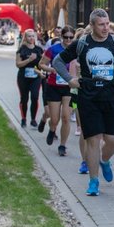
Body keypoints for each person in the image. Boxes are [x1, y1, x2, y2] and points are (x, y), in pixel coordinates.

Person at [53, 9, 114, 197]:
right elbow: (58, 61)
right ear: (92, 25)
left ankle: (104, 160)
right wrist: (69, 79)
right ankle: (93, 181)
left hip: (111, 94)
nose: (106, 28)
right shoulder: (82, 43)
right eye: (101, 24)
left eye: (107, 23)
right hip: (88, 95)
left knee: (113, 140)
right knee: (93, 140)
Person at [39, 27, 76, 156]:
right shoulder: (53, 49)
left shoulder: (77, 50)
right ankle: (52, 128)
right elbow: (41, 64)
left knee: (66, 117)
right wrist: (52, 70)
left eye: (71, 37)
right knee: (54, 119)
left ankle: (62, 145)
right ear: (62, 37)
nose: (68, 40)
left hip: (69, 88)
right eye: (66, 37)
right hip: (54, 86)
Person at [15, 28, 44, 127]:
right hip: (23, 77)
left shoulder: (39, 49)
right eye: (29, 36)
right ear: (25, 37)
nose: (31, 38)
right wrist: (29, 60)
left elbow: (42, 64)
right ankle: (23, 119)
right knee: (24, 98)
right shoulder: (21, 49)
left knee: (35, 97)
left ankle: (33, 119)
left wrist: (40, 70)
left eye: (33, 36)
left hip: (36, 77)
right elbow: (18, 64)